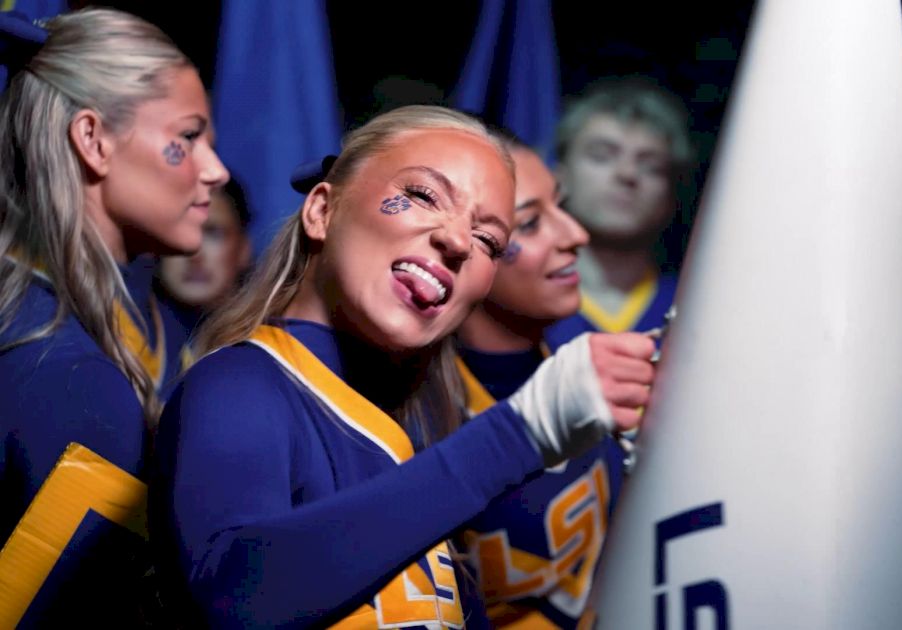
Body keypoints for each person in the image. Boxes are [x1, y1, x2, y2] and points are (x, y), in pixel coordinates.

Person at [150, 105, 657, 628]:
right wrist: (516, 437)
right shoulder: (241, 384)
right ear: (322, 209)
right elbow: (232, 594)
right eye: (422, 195)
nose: (459, 242)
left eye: (488, 240)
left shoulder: (409, 446)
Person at [0, 8, 228, 625]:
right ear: (94, 140)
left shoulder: (45, 324)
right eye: (189, 137)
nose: (216, 169)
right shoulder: (73, 378)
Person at [454, 134, 633, 628]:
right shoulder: (410, 415)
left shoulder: (594, 363)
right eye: (531, 223)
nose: (575, 233)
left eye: (563, 205)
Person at [545, 78, 692, 347]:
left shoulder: (697, 309)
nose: (627, 174)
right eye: (602, 155)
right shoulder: (518, 305)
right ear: (560, 176)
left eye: (651, 166)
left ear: (671, 192)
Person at [157, 175, 252, 336]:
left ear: (243, 249)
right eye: (179, 232)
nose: (195, 255)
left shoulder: (270, 344)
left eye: (213, 233)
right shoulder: (124, 332)